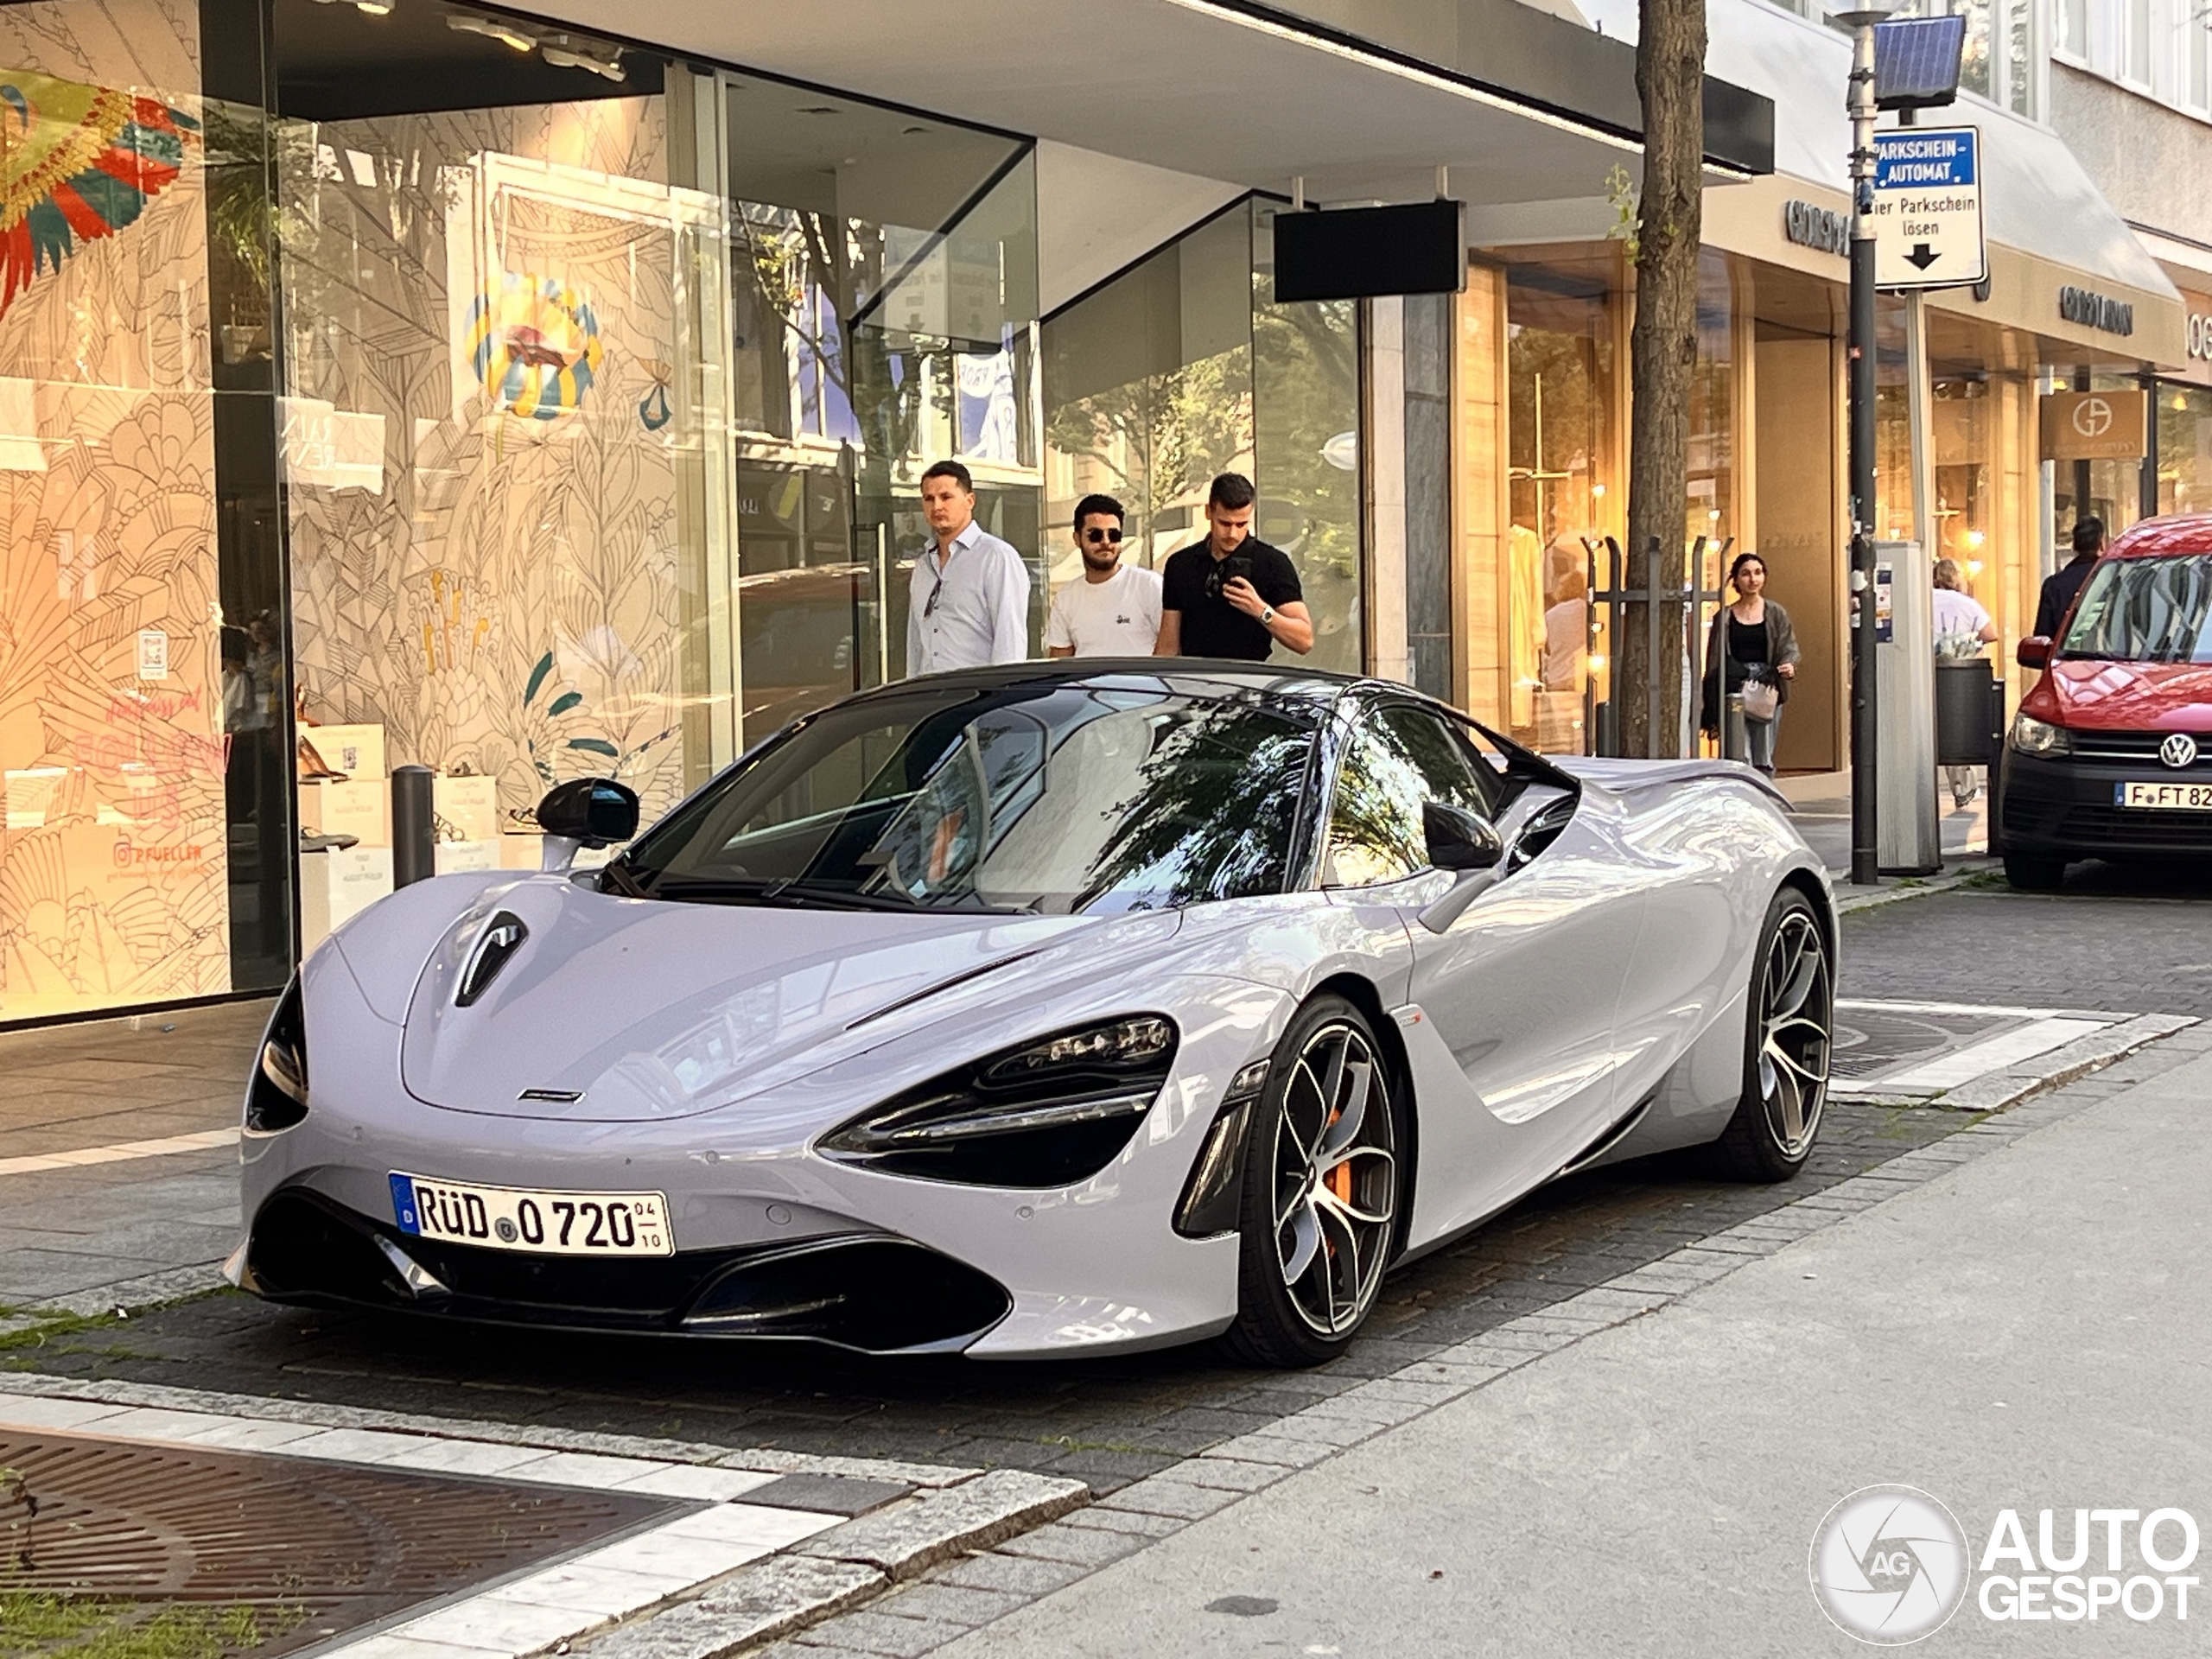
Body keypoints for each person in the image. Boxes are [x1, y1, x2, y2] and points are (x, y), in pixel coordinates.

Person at [1155, 473, 1313, 661]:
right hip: (1196, 680)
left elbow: (1304, 640)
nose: (1232, 533)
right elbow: (1167, 647)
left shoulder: (1272, 563)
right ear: (1209, 512)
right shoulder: (1181, 564)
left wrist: (1260, 610)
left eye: (1241, 524)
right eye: (1224, 523)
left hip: (1249, 680)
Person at [906, 460, 1030, 676]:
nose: (937, 506)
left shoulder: (996, 557)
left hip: (976, 698)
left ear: (970, 500)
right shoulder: (923, 566)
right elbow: (916, 641)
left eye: (946, 497)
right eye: (929, 499)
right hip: (929, 697)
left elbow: (1009, 642)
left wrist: (999, 700)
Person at [1699, 551, 1800, 777]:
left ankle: (1763, 796)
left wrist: (1788, 665)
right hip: (1734, 688)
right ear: (1735, 579)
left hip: (1766, 688)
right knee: (1737, 750)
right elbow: (1715, 657)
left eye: (1758, 573)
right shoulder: (1724, 617)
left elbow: (1788, 646)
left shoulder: (1775, 613)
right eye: (1745, 574)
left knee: (1763, 751)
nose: (1753, 579)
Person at [1046, 493, 1162, 658]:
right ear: (1077, 538)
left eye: (1114, 535)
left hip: (1142, 683)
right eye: (1095, 535)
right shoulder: (1066, 597)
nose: (1106, 542)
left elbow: (1171, 650)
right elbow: (1060, 664)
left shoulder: (1148, 585)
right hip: (1086, 683)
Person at [1932, 558, 1999, 810]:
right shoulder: (1967, 603)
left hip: (1925, 670)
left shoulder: (1923, 597)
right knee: (1955, 729)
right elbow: (1990, 634)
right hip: (1958, 671)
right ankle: (1962, 787)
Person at [2034, 515, 2103, 639]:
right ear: (2101, 543)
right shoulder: (2113, 581)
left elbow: (2043, 638)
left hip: (2066, 656)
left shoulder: (2054, 585)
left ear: (2074, 545)